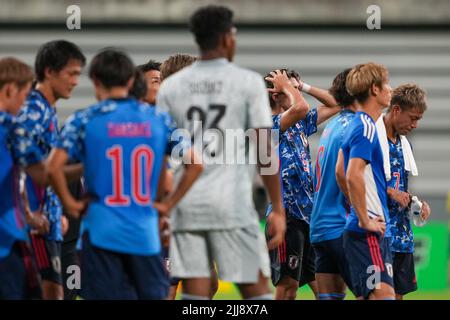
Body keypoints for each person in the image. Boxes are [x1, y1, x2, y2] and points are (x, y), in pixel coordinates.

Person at [46, 49, 202, 299]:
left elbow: (53, 169)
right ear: (131, 81)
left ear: (95, 80)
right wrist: (167, 205)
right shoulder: (158, 119)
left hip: (100, 233)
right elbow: (195, 163)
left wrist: (71, 204)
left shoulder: (84, 119)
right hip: (144, 232)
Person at [156, 5, 286, 300]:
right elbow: (265, 152)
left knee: (196, 295)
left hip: (186, 207)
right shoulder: (247, 82)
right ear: (227, 38)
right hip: (233, 205)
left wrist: (164, 206)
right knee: (256, 294)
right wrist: (277, 208)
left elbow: (159, 154)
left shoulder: (170, 88)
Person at [12, 40, 86, 299]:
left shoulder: (47, 110)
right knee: (50, 292)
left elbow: (45, 168)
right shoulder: (33, 111)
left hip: (48, 222)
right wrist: (29, 212)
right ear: (49, 72)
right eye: (72, 73)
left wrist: (58, 210)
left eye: (79, 74)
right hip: (32, 226)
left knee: (55, 292)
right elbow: (17, 164)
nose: (76, 81)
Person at [264, 68, 340, 300]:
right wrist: (286, 86)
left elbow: (337, 104)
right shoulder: (267, 124)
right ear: (276, 95)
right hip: (285, 216)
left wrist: (302, 86)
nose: (298, 94)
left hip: (307, 216)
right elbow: (302, 107)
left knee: (324, 288)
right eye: (290, 89)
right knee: (288, 288)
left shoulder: (299, 123)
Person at [336, 62, 395, 300]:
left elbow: (340, 171)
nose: (390, 89)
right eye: (386, 84)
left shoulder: (355, 124)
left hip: (360, 230)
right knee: (384, 296)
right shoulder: (366, 128)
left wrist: (357, 212)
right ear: (374, 89)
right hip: (368, 232)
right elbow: (351, 173)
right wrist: (364, 218)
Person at [376, 83, 430, 300]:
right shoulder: (371, 137)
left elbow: (401, 188)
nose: (415, 125)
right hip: (378, 232)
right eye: (413, 118)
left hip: (402, 235)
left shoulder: (404, 144)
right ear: (396, 110)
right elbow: (355, 180)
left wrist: (415, 204)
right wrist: (391, 192)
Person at [0, 57, 47, 299]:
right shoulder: (12, 128)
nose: (24, 104)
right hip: (7, 240)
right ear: (9, 89)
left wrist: (27, 213)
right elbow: (43, 174)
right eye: (24, 95)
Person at [310, 68, 358, 299]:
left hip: (320, 227)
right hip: (343, 225)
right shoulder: (357, 127)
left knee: (330, 297)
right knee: (375, 293)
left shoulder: (332, 126)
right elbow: (348, 175)